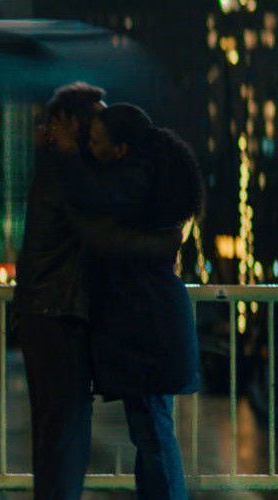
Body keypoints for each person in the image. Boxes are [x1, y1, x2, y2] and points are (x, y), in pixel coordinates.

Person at [11, 83, 180, 500]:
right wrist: (164, 244)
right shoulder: (66, 173)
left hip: (53, 312)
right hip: (56, 313)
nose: (96, 133)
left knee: (60, 434)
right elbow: (101, 234)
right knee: (64, 435)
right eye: (91, 123)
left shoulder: (64, 167)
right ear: (67, 122)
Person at [52, 102, 204, 500]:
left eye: (95, 141)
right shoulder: (144, 177)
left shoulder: (132, 182)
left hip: (148, 330)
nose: (89, 146)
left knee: (153, 433)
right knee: (150, 431)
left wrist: (67, 153)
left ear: (120, 149)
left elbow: (92, 207)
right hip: (150, 326)